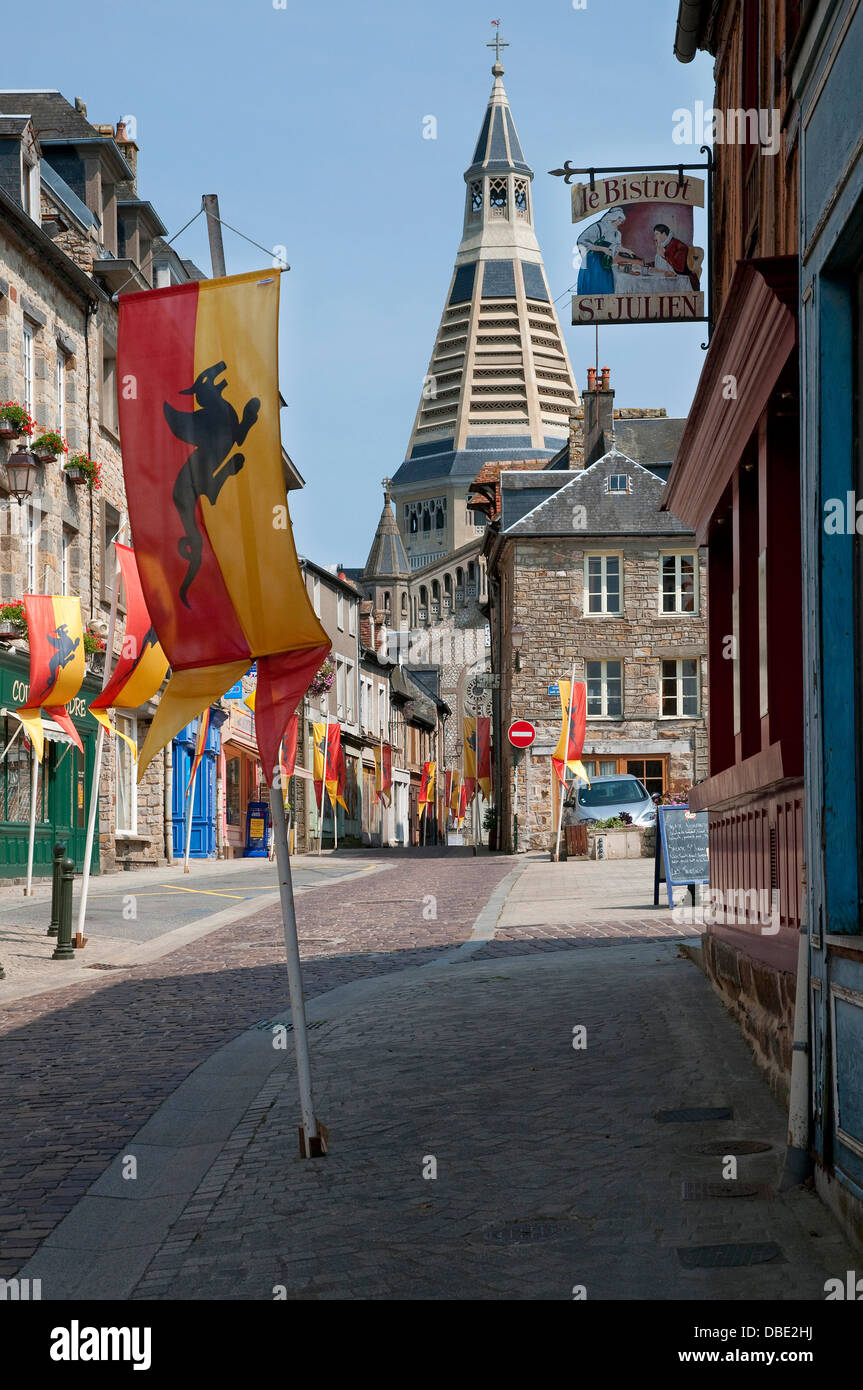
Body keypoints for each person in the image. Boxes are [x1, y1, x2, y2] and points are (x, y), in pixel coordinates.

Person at [576, 210, 642, 294]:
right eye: (619, 219)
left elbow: (615, 247)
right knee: (593, 285)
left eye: (621, 221)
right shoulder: (598, 227)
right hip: (593, 262)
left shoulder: (617, 234)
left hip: (605, 263)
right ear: (613, 217)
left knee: (606, 286)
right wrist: (602, 249)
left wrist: (627, 250)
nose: (620, 223)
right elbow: (582, 241)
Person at [650, 224, 700, 290]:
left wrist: (664, 256)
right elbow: (660, 264)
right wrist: (646, 265)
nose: (654, 238)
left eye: (656, 234)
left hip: (681, 282)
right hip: (666, 280)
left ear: (664, 234)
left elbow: (680, 268)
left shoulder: (679, 246)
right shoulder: (662, 245)